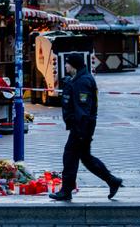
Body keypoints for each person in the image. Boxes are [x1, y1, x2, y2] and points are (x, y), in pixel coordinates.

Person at [49, 53, 123, 201]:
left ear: (73, 65)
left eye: (67, 63)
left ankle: (66, 191)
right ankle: (112, 181)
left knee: (70, 156)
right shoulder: (78, 79)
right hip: (81, 127)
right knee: (86, 158)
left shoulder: (83, 81)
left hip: (81, 127)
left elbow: (83, 109)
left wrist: (80, 131)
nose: (65, 66)